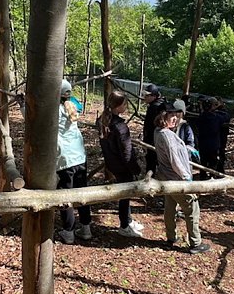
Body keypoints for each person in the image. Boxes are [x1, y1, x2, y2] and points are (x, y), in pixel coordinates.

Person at [154, 108, 210, 253]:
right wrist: (186, 178)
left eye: (175, 116)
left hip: (166, 178)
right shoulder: (167, 135)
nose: (174, 118)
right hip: (176, 179)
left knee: (170, 207)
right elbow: (174, 160)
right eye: (170, 115)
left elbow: (173, 151)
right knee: (192, 208)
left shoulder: (159, 131)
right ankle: (196, 243)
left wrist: (185, 148)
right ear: (163, 116)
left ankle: (171, 237)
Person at [97, 90, 145, 238]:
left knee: (126, 195)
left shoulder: (102, 120)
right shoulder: (120, 127)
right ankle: (124, 225)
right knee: (125, 195)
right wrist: (135, 168)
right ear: (117, 106)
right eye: (124, 104)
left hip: (112, 163)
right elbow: (126, 152)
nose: (126, 107)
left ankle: (128, 220)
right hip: (122, 166)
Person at [57, 79, 92, 244]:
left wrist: (23, 105)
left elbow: (33, 119)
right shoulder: (72, 105)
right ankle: (86, 228)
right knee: (81, 192)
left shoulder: (54, 110)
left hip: (65, 159)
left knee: (66, 195)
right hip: (79, 156)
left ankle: (68, 231)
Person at [196, 97, 229, 178]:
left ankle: (203, 178)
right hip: (213, 146)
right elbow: (227, 116)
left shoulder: (201, 117)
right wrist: (218, 109)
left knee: (203, 163)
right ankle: (212, 179)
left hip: (202, 144)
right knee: (213, 164)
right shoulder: (216, 118)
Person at [141, 83, 166, 175]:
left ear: (154, 96)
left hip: (154, 139)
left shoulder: (154, 107)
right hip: (158, 139)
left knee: (151, 161)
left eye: (147, 95)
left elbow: (150, 126)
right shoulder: (158, 105)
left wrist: (146, 140)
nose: (145, 97)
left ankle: (149, 181)